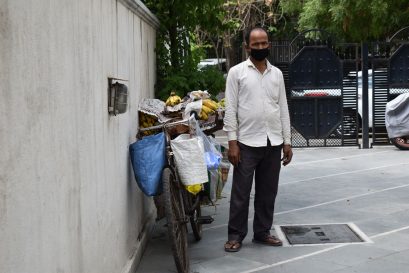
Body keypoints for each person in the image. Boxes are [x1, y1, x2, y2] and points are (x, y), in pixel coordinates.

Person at [223, 26, 293, 252]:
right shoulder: (237, 72)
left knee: (267, 192)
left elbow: (282, 107)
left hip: (272, 143)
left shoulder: (277, 74)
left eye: (264, 43)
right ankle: (235, 235)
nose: (261, 47)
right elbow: (230, 108)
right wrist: (232, 142)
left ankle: (262, 232)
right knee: (241, 193)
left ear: (269, 45)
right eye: (256, 44)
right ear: (247, 47)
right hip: (246, 144)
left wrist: (287, 141)